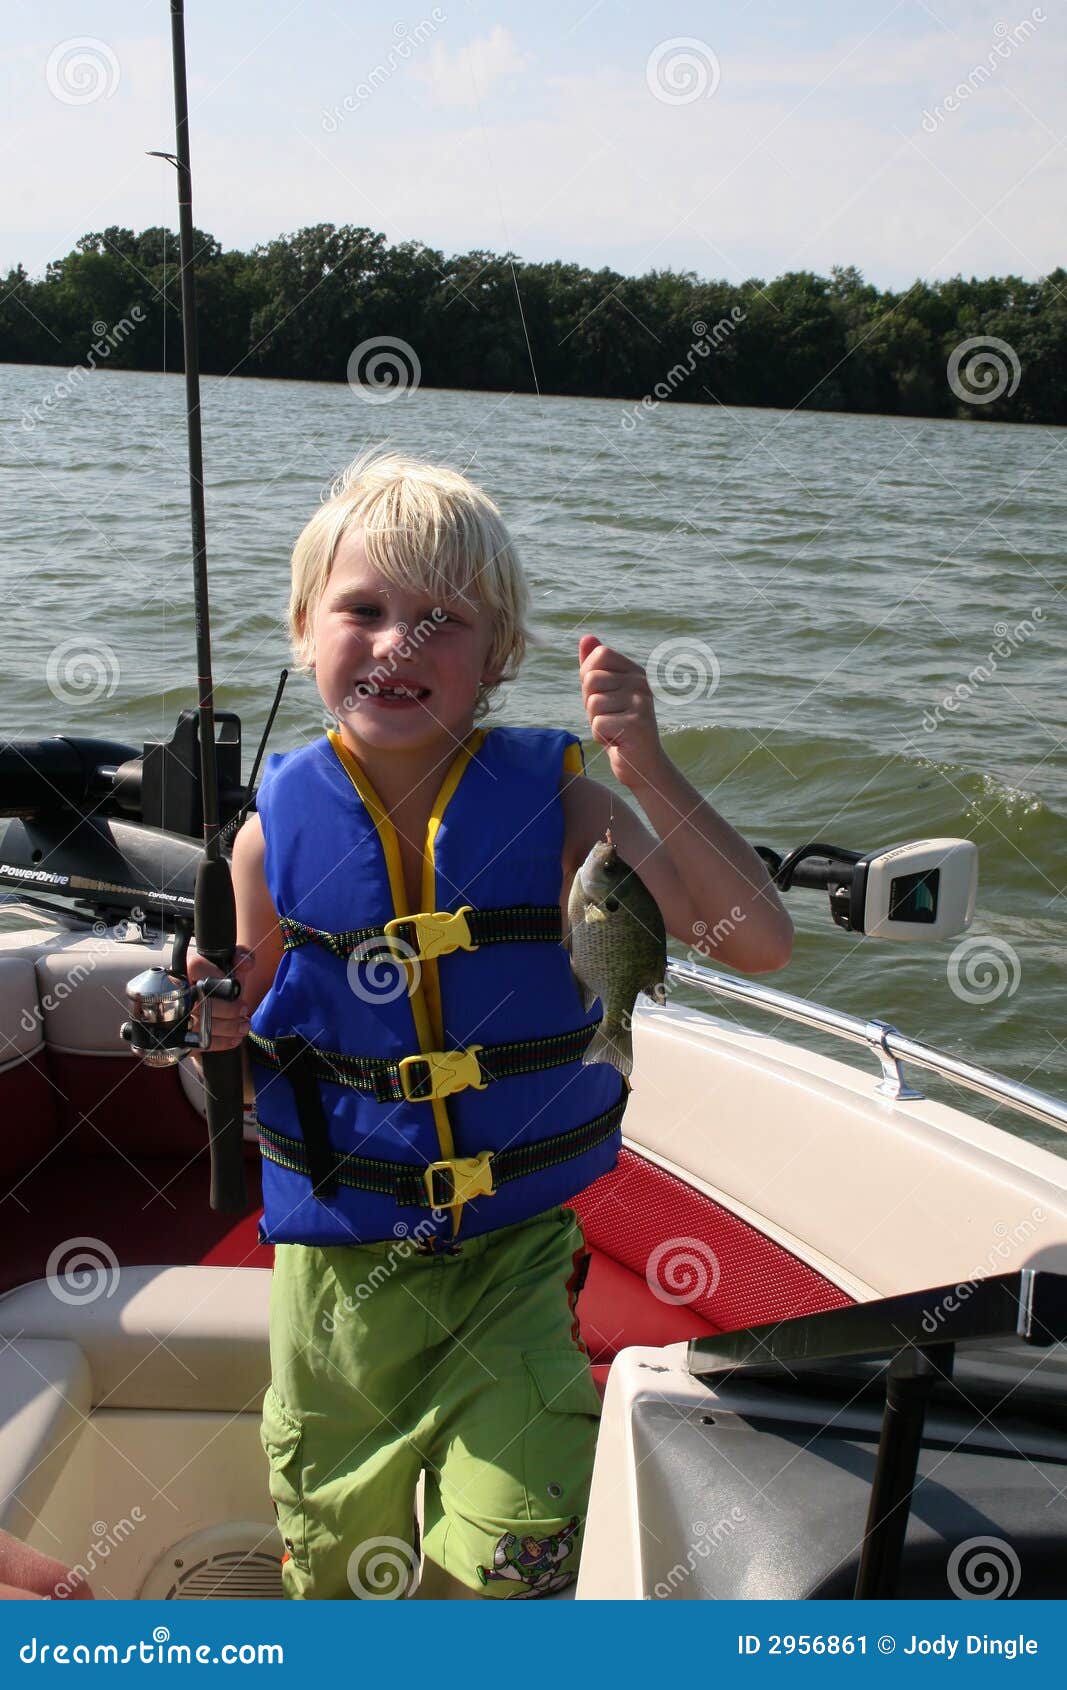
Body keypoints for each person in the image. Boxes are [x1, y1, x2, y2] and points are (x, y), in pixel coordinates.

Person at [190, 450, 792, 1600]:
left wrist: (647, 768)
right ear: (304, 628)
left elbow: (755, 938)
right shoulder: (270, 831)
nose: (398, 645)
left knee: (513, 1556)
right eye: (362, 610)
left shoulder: (568, 801)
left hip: (514, 1263)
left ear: (498, 657)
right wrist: (207, 1004)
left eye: (442, 621)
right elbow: (236, 993)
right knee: (338, 1562)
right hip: (336, 1286)